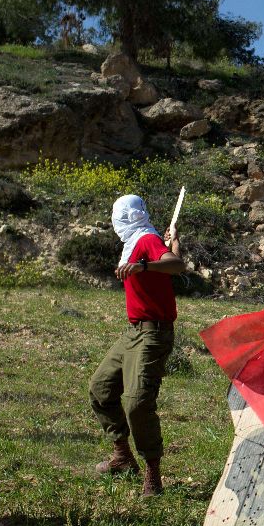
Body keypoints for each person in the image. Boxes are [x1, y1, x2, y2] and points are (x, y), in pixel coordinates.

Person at [89, 194, 185, 497]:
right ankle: (122, 457)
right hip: (134, 332)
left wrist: (143, 266)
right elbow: (170, 258)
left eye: (117, 216)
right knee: (101, 387)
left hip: (153, 333)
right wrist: (174, 241)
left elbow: (176, 265)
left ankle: (152, 473)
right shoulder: (140, 241)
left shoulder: (145, 240)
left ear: (127, 218)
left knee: (137, 403)